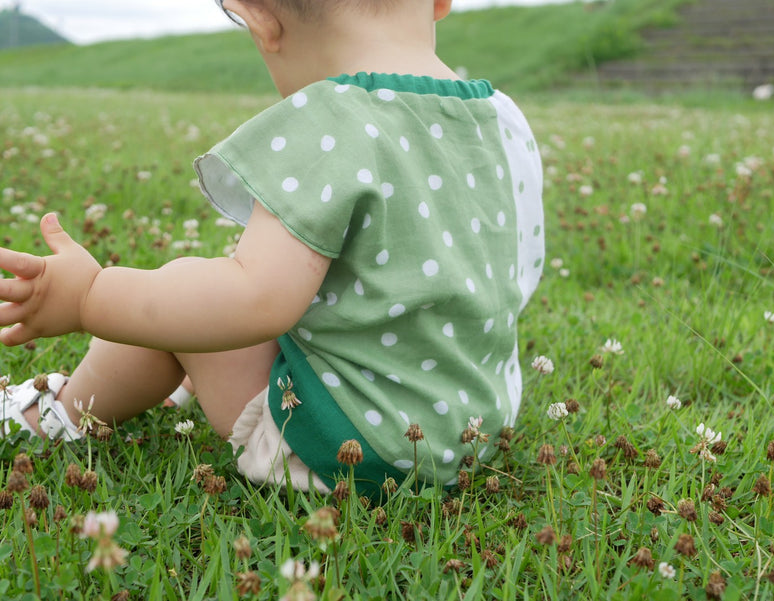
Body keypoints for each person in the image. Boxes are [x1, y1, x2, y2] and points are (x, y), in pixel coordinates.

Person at [0, 0, 545, 498]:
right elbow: (516, 273)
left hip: (353, 454)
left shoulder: (329, 120)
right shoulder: (503, 119)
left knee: (189, 294)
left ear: (259, 19)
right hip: (472, 439)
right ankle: (163, 390)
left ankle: (56, 415)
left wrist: (89, 296)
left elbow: (254, 299)